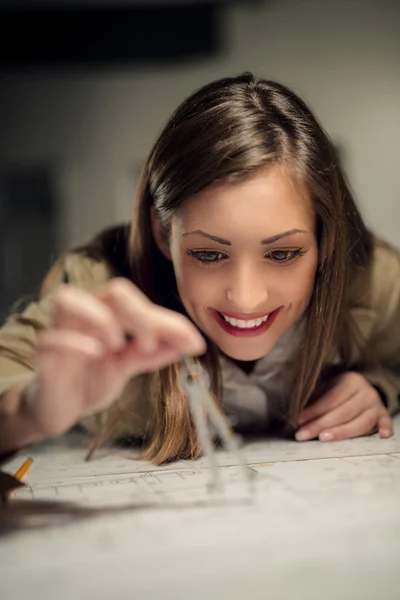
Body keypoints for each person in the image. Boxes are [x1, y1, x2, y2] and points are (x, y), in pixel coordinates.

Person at [0, 72, 399, 465]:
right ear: (161, 233)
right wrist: (29, 411)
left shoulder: (375, 281)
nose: (246, 299)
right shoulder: (100, 293)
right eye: (208, 255)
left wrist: (381, 388)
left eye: (282, 254)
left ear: (325, 236)